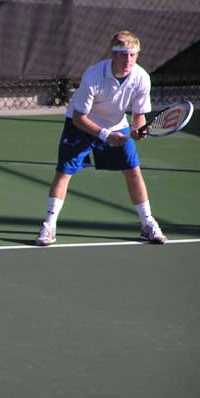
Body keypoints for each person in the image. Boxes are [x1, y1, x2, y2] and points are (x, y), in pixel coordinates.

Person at [35, 31, 166, 246]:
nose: (128, 60)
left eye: (133, 55)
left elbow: (138, 115)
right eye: (123, 55)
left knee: (133, 170)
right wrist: (105, 135)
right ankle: (49, 226)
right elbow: (79, 118)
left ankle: (147, 224)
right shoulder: (93, 76)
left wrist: (138, 130)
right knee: (64, 172)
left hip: (117, 124)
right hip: (81, 125)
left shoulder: (141, 78)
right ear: (113, 55)